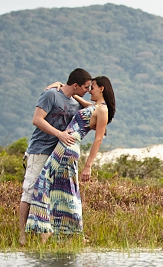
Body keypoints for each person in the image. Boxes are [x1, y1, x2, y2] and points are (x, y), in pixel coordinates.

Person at [24, 75, 116, 242]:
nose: (89, 91)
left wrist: (88, 166)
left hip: (68, 147)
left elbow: (98, 140)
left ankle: (53, 230)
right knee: (60, 188)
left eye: (92, 88)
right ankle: (59, 231)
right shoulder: (95, 106)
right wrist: (61, 85)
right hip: (64, 145)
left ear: (101, 88)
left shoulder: (103, 110)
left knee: (48, 183)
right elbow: (78, 97)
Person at [19, 68, 92, 246]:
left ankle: (44, 234)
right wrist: (59, 134)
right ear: (76, 85)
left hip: (57, 154)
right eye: (85, 87)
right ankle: (22, 236)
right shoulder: (51, 94)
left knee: (50, 193)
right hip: (40, 150)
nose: (88, 91)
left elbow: (96, 109)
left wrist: (76, 96)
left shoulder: (75, 102)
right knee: (30, 191)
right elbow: (37, 119)